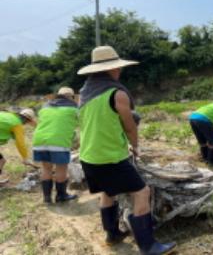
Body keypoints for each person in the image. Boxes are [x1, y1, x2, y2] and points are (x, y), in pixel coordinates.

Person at [77, 46, 175, 254]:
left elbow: (103, 123)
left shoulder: (85, 94)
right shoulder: (116, 93)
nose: (119, 71)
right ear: (109, 70)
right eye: (116, 68)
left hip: (89, 156)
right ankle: (148, 245)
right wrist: (136, 146)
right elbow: (129, 126)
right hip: (109, 157)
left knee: (108, 191)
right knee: (142, 192)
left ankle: (112, 235)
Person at [32, 87, 78, 203]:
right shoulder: (74, 108)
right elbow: (83, 124)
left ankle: (47, 198)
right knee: (61, 168)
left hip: (40, 140)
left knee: (46, 168)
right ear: (72, 97)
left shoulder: (45, 106)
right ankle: (61, 196)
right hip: (58, 142)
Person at [0, 108, 36, 182]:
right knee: (1, 161)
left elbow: (14, 137)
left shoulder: (7, 115)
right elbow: (20, 143)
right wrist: (25, 158)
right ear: (27, 120)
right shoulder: (17, 124)